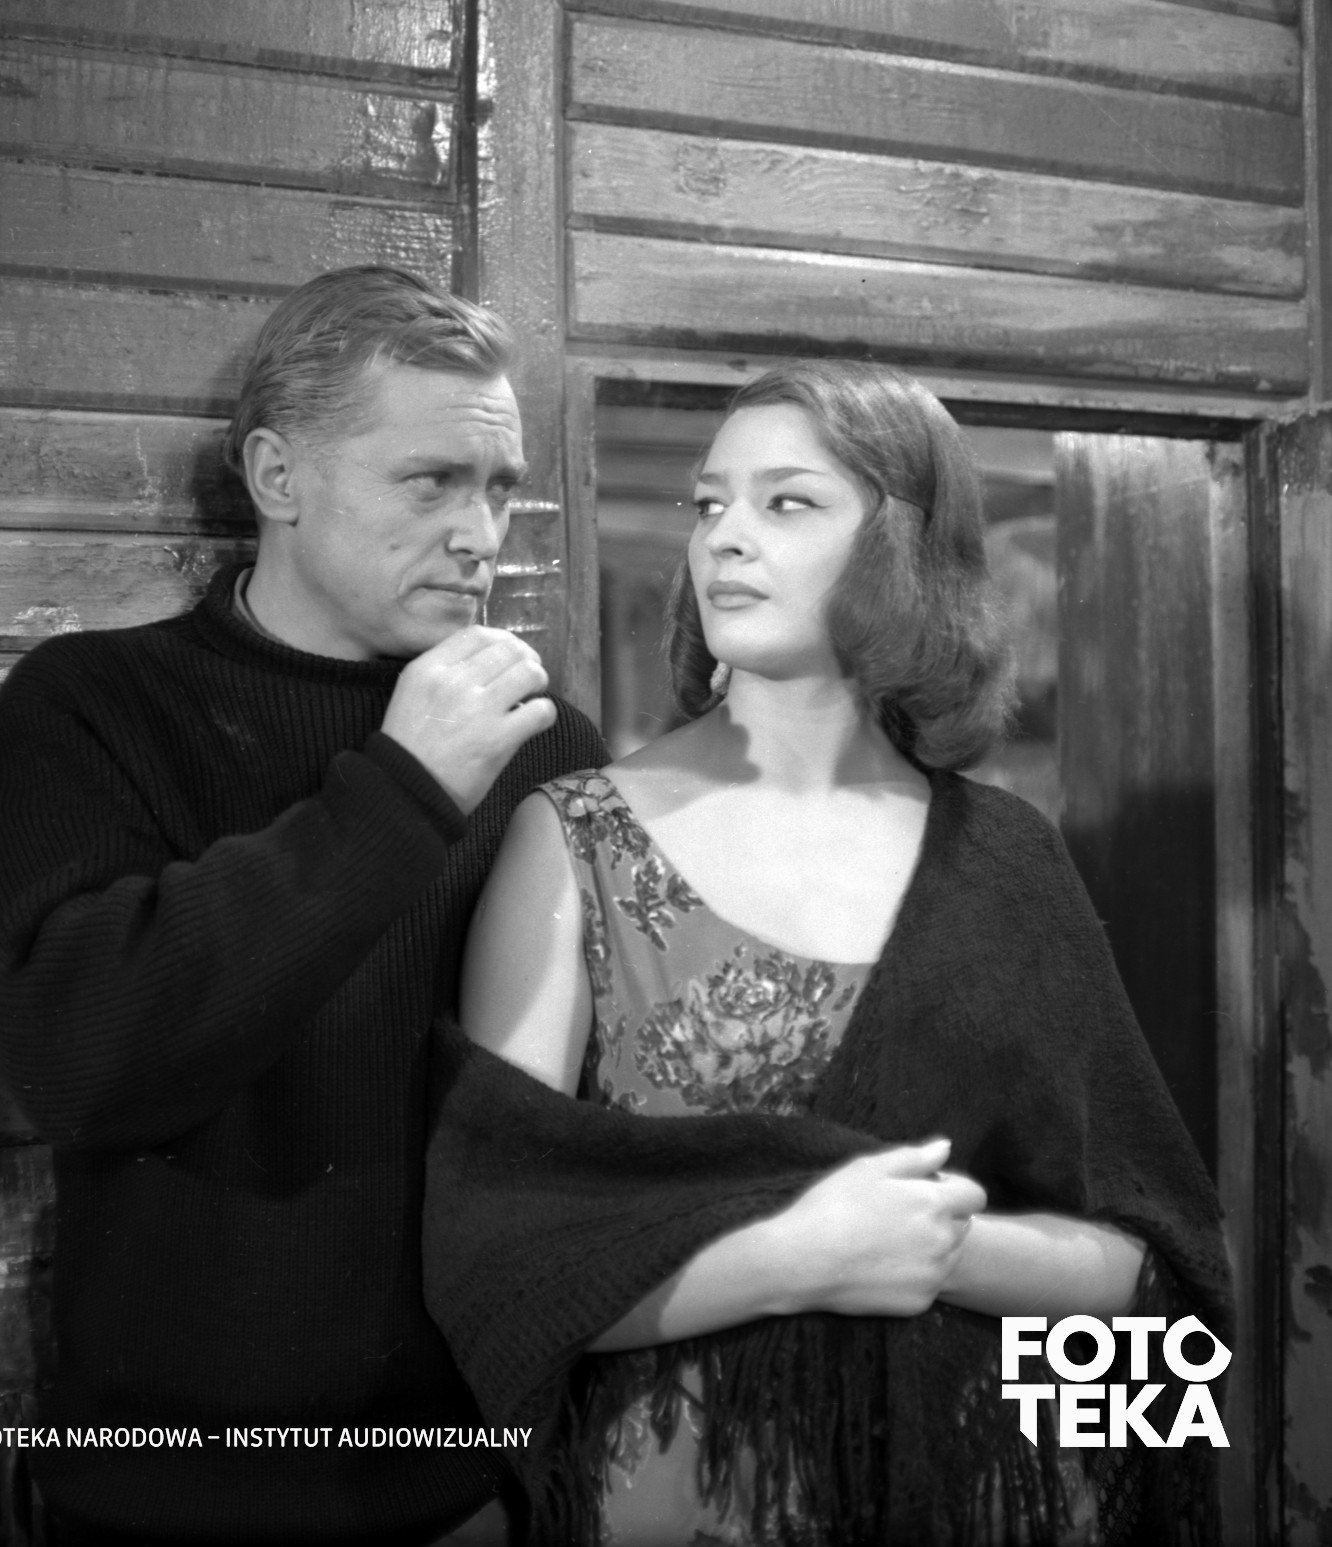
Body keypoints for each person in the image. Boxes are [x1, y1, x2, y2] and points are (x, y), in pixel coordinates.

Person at [425, 359, 1231, 1545]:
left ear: (901, 546)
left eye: (787, 502)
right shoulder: (578, 837)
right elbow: (501, 1267)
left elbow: (1147, 1261)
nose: (725, 536)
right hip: (685, 1502)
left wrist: (941, 1248)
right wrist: (796, 1256)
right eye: (710, 502)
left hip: (986, 1495)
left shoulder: (1007, 855)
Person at [0, 266, 607, 1546]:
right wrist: (405, 788)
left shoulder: (543, 742)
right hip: (164, 1494)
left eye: (498, 487)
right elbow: (80, 1064)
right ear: (277, 475)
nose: (480, 531)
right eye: (431, 481)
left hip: (464, 1483)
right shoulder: (94, 704)